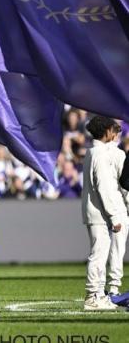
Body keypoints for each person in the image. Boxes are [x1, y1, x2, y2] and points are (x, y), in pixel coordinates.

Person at [81, 117, 126, 309]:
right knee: (98, 255)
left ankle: (99, 294)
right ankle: (92, 296)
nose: (115, 134)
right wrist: (114, 216)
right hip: (100, 214)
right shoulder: (99, 154)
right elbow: (104, 187)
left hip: (98, 213)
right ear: (106, 132)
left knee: (100, 252)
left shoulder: (94, 152)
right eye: (113, 130)